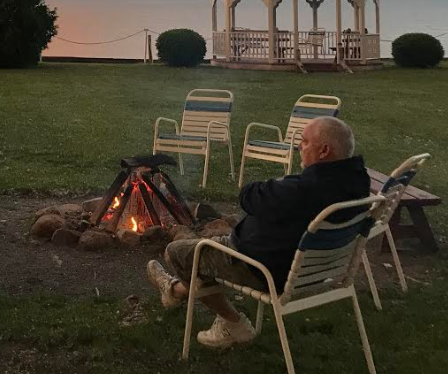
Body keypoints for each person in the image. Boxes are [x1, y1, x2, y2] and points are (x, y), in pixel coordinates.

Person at [146, 116, 370, 349]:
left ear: (324, 150)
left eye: (304, 142)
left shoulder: (302, 191)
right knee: (205, 250)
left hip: (260, 267)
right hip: (313, 268)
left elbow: (248, 195)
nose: (299, 146)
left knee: (178, 252)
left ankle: (233, 324)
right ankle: (174, 291)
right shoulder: (357, 183)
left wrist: (281, 183)